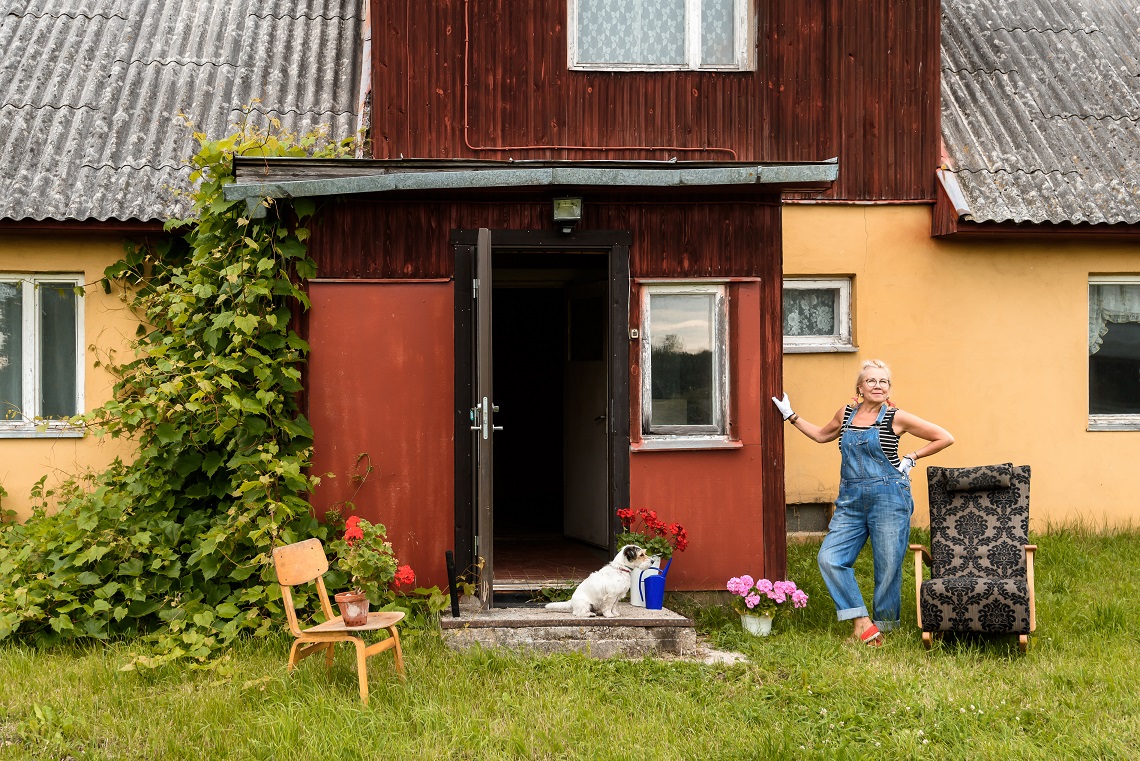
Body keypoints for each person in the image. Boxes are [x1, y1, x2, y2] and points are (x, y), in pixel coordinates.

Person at [772, 360, 953, 646]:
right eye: (871, 381)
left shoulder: (896, 417)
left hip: (889, 496)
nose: (878, 386)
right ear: (860, 387)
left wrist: (912, 457)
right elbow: (821, 435)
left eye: (883, 381)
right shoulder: (845, 414)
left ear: (889, 388)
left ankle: (884, 628)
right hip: (851, 500)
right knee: (830, 558)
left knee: (888, 565)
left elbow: (944, 437)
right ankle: (862, 621)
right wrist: (791, 416)